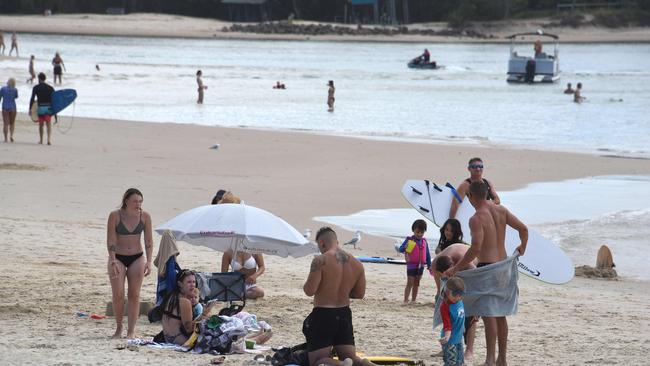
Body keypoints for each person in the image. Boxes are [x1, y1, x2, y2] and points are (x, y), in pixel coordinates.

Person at [444, 181, 528, 366]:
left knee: (489, 313)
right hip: (504, 266)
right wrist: (523, 246)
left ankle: (490, 360)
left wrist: (456, 268)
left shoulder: (476, 218)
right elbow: (524, 229)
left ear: (471, 197)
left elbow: (475, 249)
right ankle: (502, 359)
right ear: (487, 194)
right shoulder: (501, 210)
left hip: (488, 267)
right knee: (500, 314)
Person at [302, 227, 368, 366]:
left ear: (322, 243)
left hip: (324, 314)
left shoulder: (320, 260)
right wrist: (342, 290)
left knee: (317, 361)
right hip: (344, 314)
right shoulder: (357, 263)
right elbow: (359, 294)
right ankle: (365, 364)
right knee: (353, 358)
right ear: (337, 242)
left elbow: (309, 290)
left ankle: (342, 365)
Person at [106, 188, 154, 339]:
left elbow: (148, 241)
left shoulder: (145, 217)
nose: (138, 204)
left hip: (137, 257)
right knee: (118, 294)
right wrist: (113, 259)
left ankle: (131, 331)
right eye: (135, 201)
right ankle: (119, 327)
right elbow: (111, 240)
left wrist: (149, 261)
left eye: (140, 201)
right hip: (118, 257)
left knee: (134, 294)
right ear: (126, 201)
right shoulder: (115, 215)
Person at [432, 244, 478, 360]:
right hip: (455, 276)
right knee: (450, 314)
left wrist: (477, 307)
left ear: (452, 265)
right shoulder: (435, 264)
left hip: (472, 275)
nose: (444, 276)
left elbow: (478, 279)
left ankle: (469, 350)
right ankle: (448, 347)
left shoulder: (463, 259)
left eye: (447, 273)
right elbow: (440, 287)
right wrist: (440, 296)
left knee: (469, 316)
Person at [397, 219, 431, 304]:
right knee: (410, 282)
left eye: (422, 232)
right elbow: (400, 249)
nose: (419, 234)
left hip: (421, 266)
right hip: (411, 265)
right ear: (413, 230)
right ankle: (405, 300)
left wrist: (430, 265)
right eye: (417, 232)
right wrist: (405, 246)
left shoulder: (424, 241)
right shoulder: (410, 240)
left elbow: (427, 253)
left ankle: (413, 300)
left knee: (417, 283)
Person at [161, 269, 196, 344]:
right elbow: (189, 328)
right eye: (189, 282)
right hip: (180, 340)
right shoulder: (184, 301)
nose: (192, 285)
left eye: (194, 282)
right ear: (180, 284)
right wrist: (204, 314)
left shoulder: (172, 296)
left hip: (167, 338)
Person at [439, 277, 466, 366]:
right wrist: (447, 337)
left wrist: (463, 327)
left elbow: (461, 316)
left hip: (458, 338)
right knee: (451, 363)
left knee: (460, 362)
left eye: (460, 294)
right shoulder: (445, 306)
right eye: (455, 294)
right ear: (447, 291)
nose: (458, 297)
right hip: (450, 340)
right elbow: (447, 324)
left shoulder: (459, 301)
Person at [28, 73, 55, 145]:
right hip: (48, 108)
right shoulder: (50, 88)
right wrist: (55, 110)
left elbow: (32, 99)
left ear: (39, 79)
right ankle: (49, 140)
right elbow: (54, 99)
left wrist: (30, 108)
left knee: (41, 125)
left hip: (41, 108)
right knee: (48, 124)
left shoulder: (36, 87)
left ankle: (41, 140)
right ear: (45, 79)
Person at [0, 78, 18, 143]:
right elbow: (16, 97)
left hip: (5, 107)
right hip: (13, 107)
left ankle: (5, 139)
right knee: (12, 123)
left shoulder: (3, 89)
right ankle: (11, 136)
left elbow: (0, 97)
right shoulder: (15, 89)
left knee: (6, 123)